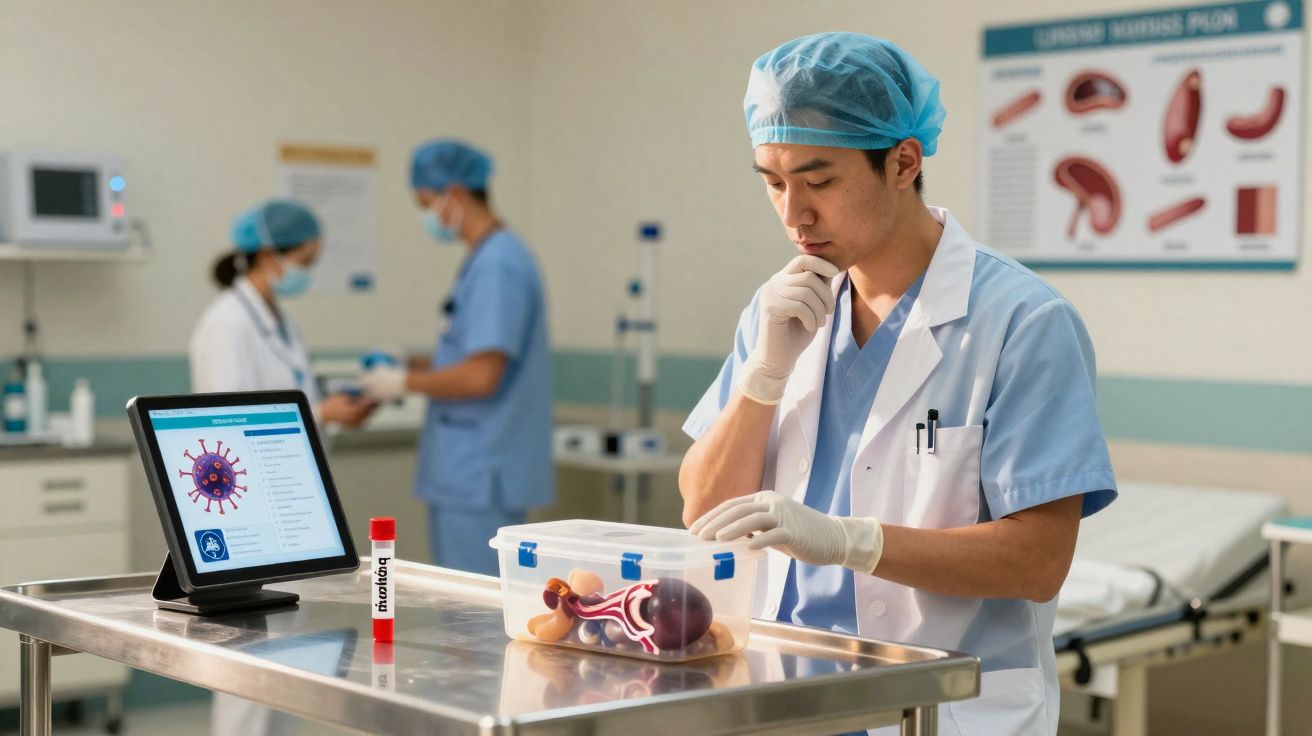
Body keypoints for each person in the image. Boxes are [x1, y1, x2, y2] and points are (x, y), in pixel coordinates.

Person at [679, 33, 1117, 735]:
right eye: (772, 181)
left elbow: (1038, 560)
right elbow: (703, 508)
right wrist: (763, 378)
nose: (793, 214)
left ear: (904, 162)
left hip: (942, 704)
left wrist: (850, 541)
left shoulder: (1023, 323)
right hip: (780, 699)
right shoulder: (781, 311)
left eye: (818, 181)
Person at [191, 198, 373, 736]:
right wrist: (324, 414)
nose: (306, 273)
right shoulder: (226, 324)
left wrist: (332, 414)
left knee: (289, 662)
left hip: (286, 506)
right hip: (245, 510)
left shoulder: (276, 320)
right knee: (248, 666)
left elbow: (290, 406)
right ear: (270, 254)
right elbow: (227, 426)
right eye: (306, 261)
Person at [362, 139, 552, 575]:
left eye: (427, 203)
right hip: (470, 471)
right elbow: (470, 353)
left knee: (473, 621)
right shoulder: (486, 258)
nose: (426, 216)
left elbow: (482, 376)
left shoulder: (499, 264)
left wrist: (401, 384)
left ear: (456, 194)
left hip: (481, 474)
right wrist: (409, 365)